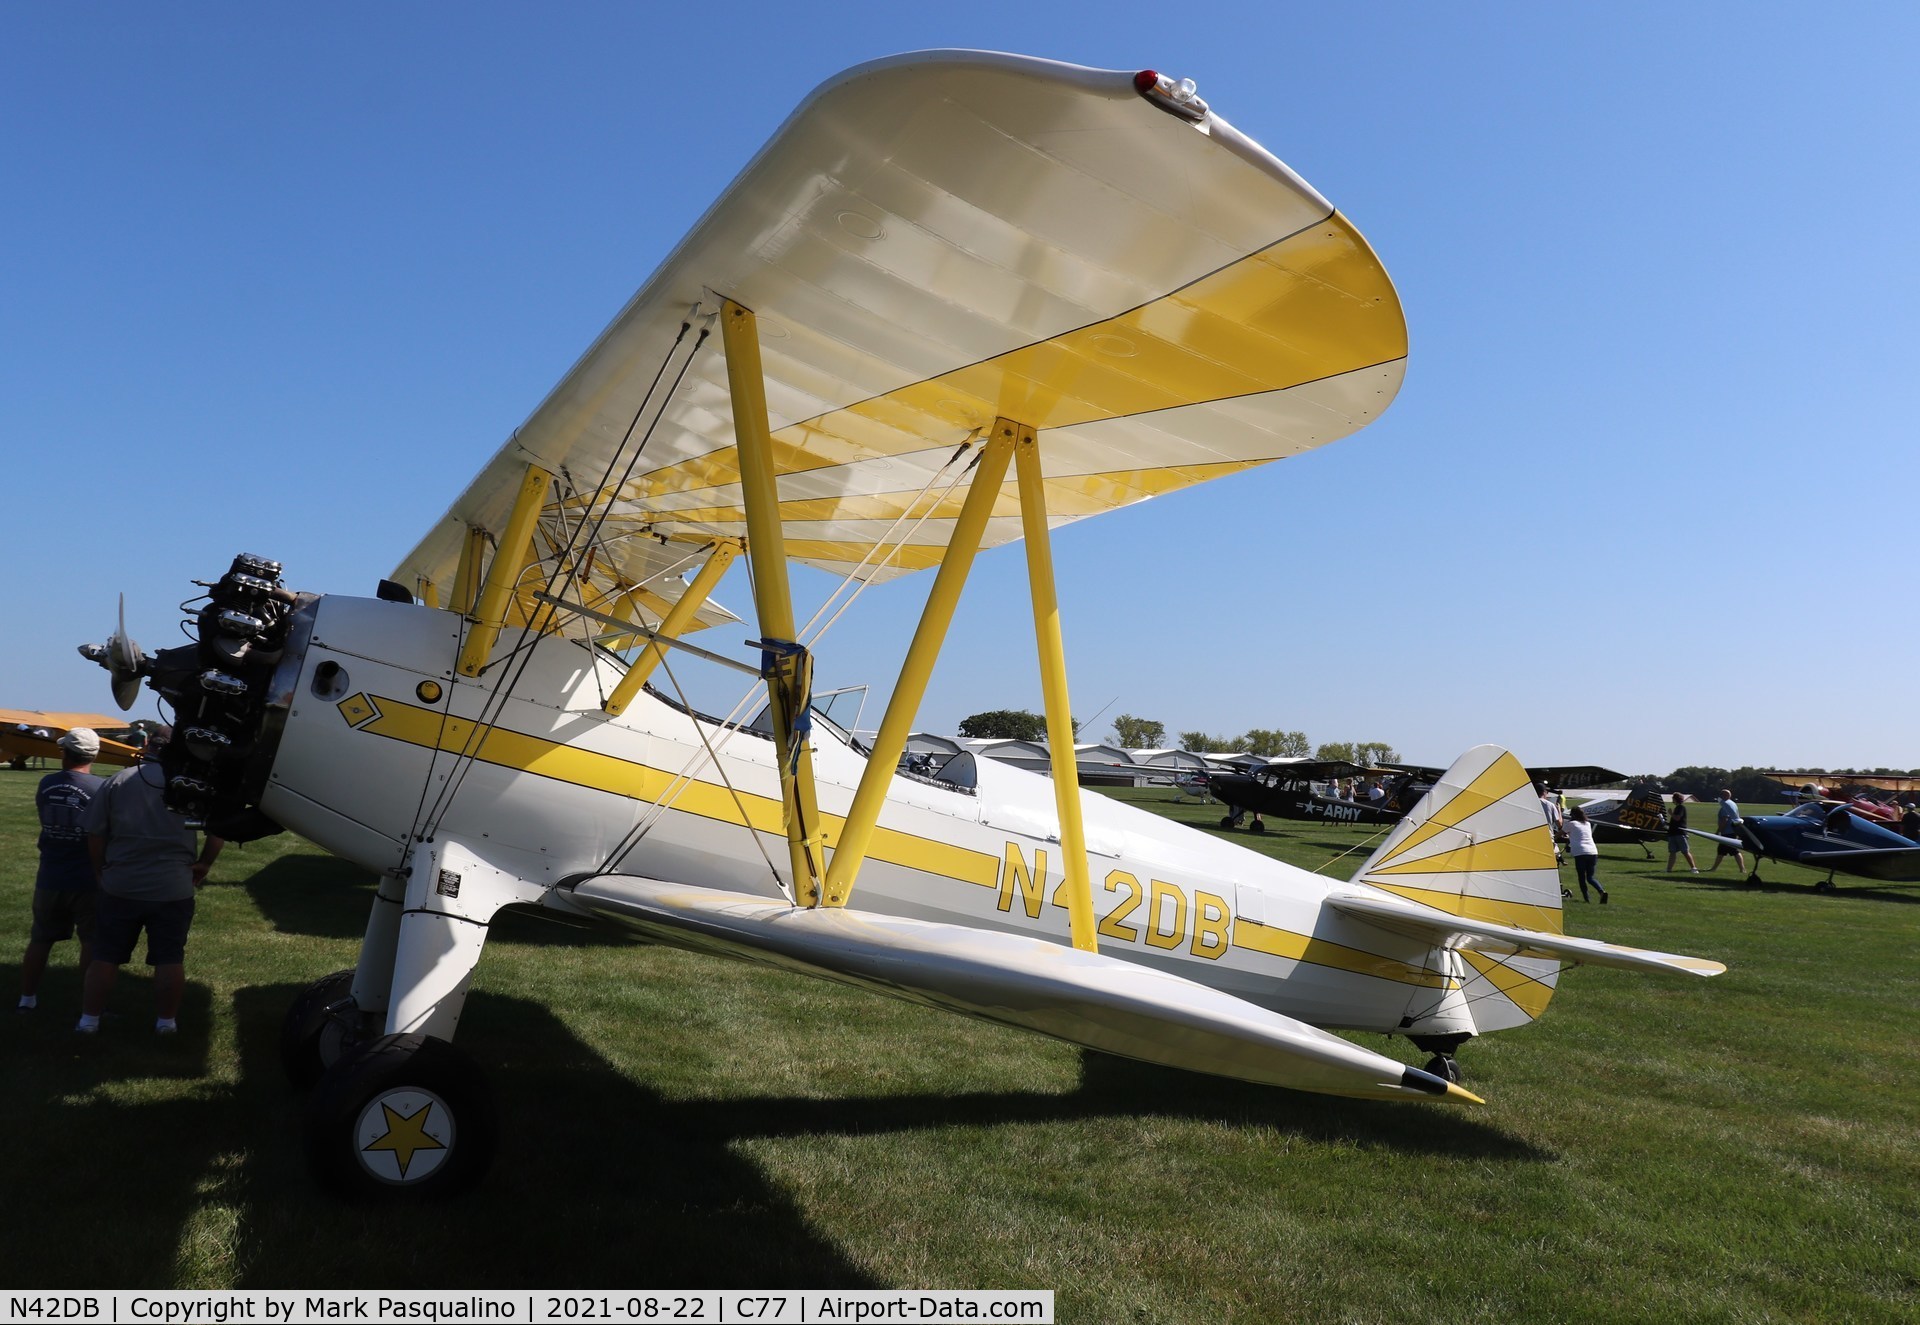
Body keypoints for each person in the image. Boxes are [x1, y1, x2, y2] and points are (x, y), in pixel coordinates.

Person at [77, 727, 223, 1034]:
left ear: (146, 746)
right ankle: (166, 1023)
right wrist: (205, 864)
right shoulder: (192, 785)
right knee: (169, 957)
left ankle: (89, 1021)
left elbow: (95, 833)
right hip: (173, 886)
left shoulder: (117, 781)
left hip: (121, 883)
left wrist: (99, 869)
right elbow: (218, 830)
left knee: (104, 956)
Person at [18, 729, 106, 1011]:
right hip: (88, 877)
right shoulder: (102, 788)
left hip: (50, 875)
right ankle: (89, 1005)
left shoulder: (46, 783)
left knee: (41, 939)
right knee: (91, 941)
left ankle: (27, 998)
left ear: (65, 753)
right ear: (94, 754)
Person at [1564, 805, 1607, 903]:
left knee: (1581, 877)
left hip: (1580, 852)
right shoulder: (1587, 823)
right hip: (1592, 852)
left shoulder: (1571, 823)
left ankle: (1587, 898)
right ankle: (1601, 891)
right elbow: (1580, 835)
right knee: (1590, 877)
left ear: (1573, 815)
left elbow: (1560, 834)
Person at [1706, 788, 1748, 873]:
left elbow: (1724, 820)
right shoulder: (1733, 803)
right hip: (1733, 830)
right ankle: (1714, 868)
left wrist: (1718, 831)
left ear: (1723, 796)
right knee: (1725, 851)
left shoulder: (1725, 805)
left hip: (1727, 832)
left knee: (1731, 851)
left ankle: (1742, 869)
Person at [1666, 793, 1699, 873]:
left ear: (1676, 799)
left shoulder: (1681, 808)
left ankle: (1694, 868)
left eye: (1673, 798)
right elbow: (1675, 821)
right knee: (1672, 852)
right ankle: (1669, 870)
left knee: (1685, 851)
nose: (1672, 800)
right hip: (1673, 833)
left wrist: (1670, 813)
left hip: (1680, 833)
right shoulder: (1677, 808)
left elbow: (1677, 818)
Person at [1539, 783, 1565, 864]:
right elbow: (1559, 824)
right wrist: (1559, 811)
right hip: (1547, 836)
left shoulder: (1530, 803)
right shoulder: (1550, 805)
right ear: (1544, 792)